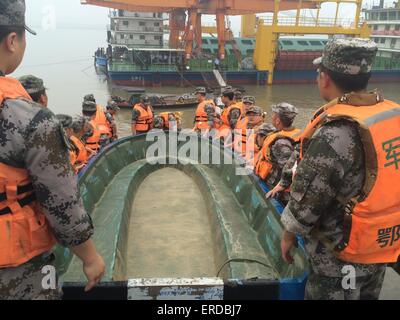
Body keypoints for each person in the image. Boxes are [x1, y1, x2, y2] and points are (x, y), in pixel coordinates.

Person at [280, 38, 400, 300]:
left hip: (339, 259)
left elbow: (308, 200)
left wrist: (289, 234)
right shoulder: (391, 117)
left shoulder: (335, 134)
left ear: (324, 78)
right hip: (380, 246)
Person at [0, 0, 104, 300]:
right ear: (11, 41)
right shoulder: (31, 121)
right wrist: (90, 257)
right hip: (17, 273)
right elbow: (62, 204)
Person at [254, 103, 299, 192]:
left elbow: (287, 169)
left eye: (273, 115)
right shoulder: (296, 133)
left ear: (278, 121)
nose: (271, 117)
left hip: (275, 188)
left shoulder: (280, 143)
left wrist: (280, 188)